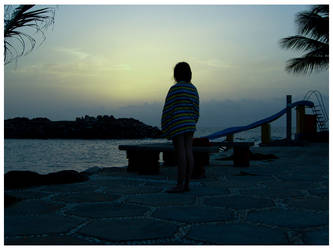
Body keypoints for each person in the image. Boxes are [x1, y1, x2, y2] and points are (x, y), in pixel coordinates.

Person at [161, 62, 200, 193]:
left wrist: (165, 126)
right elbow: (196, 109)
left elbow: (168, 109)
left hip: (177, 124)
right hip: (190, 124)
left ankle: (179, 184)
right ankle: (187, 183)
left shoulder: (175, 89)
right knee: (189, 152)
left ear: (176, 75)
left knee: (180, 154)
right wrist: (193, 121)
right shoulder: (193, 89)